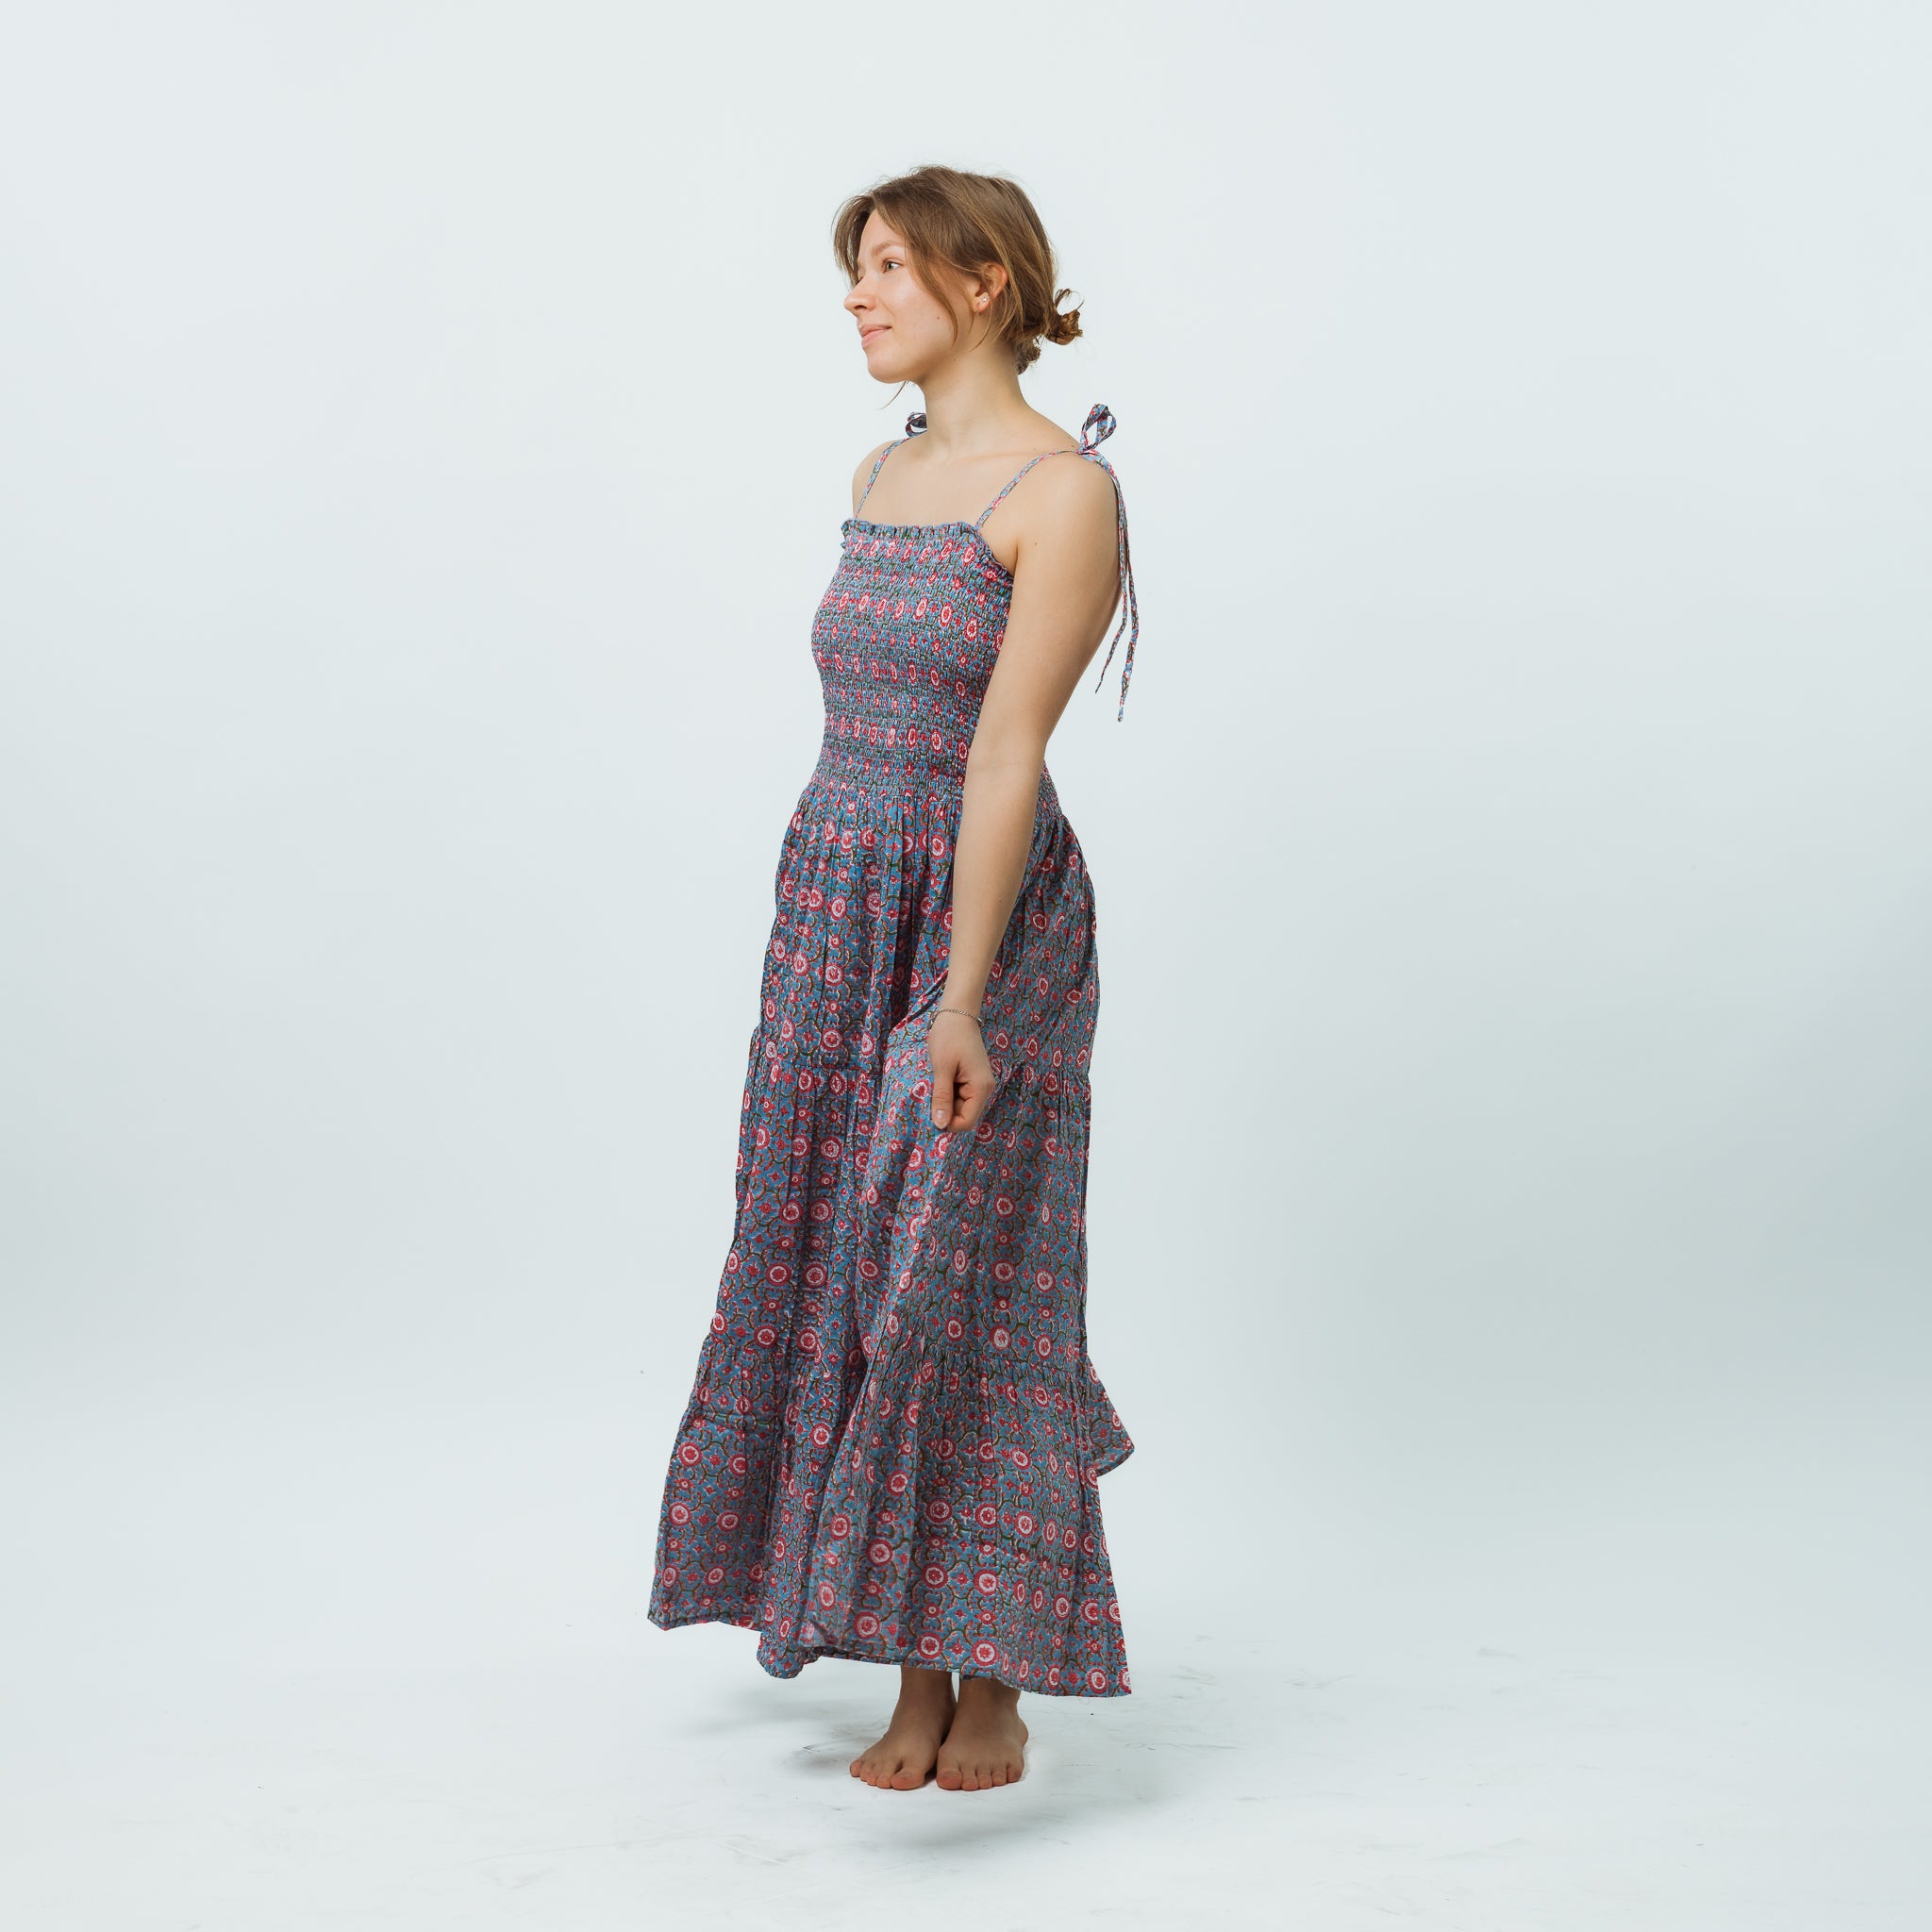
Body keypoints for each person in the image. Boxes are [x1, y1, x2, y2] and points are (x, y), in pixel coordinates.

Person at [648, 163, 1141, 1793]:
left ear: (982, 282)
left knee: (963, 1276)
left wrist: (962, 997)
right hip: (836, 905)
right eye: (852, 271)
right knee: (847, 1264)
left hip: (980, 919)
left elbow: (1004, 755)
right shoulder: (878, 471)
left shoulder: (1063, 492)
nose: (856, 297)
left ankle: (996, 1679)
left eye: (884, 267)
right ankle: (913, 1666)